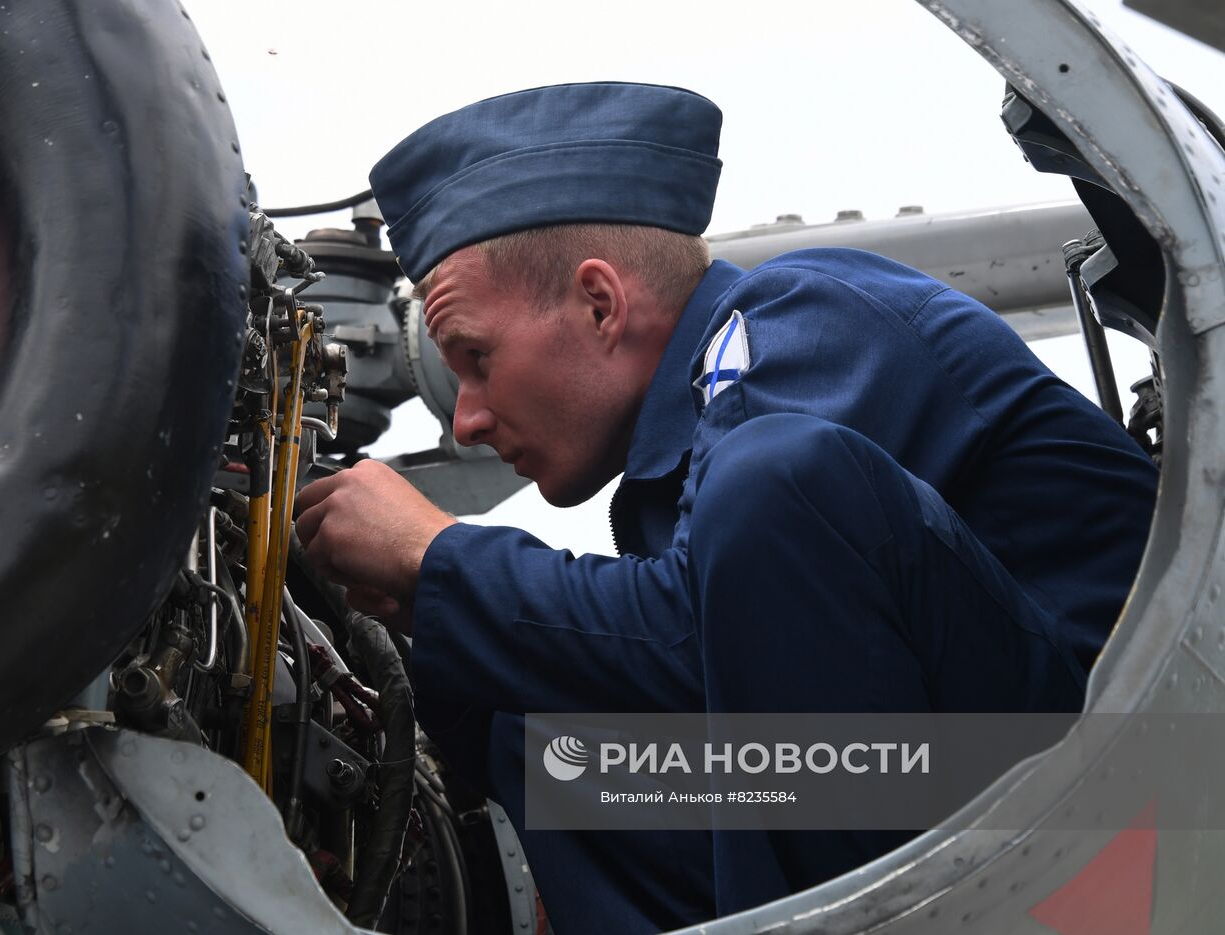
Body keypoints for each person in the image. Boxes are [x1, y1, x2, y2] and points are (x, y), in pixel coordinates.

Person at [294, 82, 1159, 933]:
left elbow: (698, 639)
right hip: (960, 787)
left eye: (476, 360)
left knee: (773, 481)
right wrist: (430, 621)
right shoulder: (689, 452)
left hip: (1130, 798)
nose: (469, 421)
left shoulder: (798, 322)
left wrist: (436, 556)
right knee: (535, 729)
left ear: (601, 304)